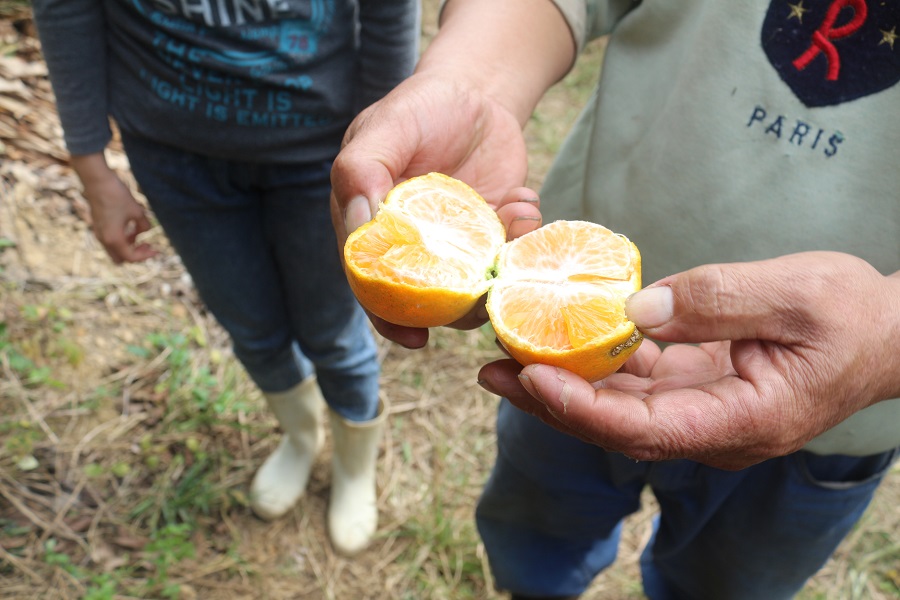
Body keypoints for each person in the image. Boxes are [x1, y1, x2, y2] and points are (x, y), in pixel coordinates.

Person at [330, 0, 900, 596]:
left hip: (841, 413)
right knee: (534, 544)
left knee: (722, 584)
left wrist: (885, 335)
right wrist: (475, 84)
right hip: (572, 357)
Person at [32, 0, 420, 556]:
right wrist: (92, 167)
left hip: (323, 153)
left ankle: (355, 467)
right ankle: (300, 436)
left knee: (333, 333)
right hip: (174, 158)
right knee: (251, 326)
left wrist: (381, 141)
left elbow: (389, 12)